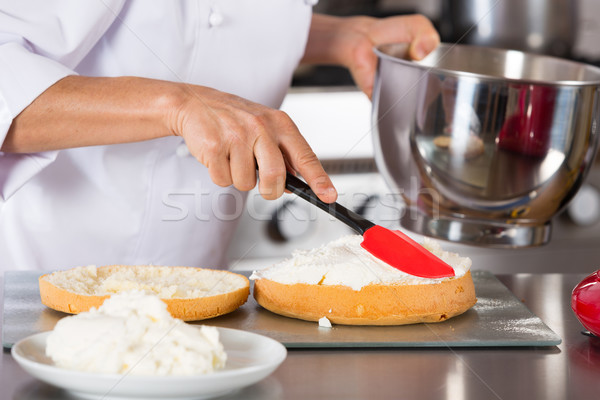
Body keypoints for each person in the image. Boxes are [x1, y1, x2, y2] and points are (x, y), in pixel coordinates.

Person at [0, 1, 439, 271]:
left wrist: (341, 37)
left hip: (201, 293)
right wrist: (174, 105)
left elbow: (206, 22)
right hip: (38, 292)